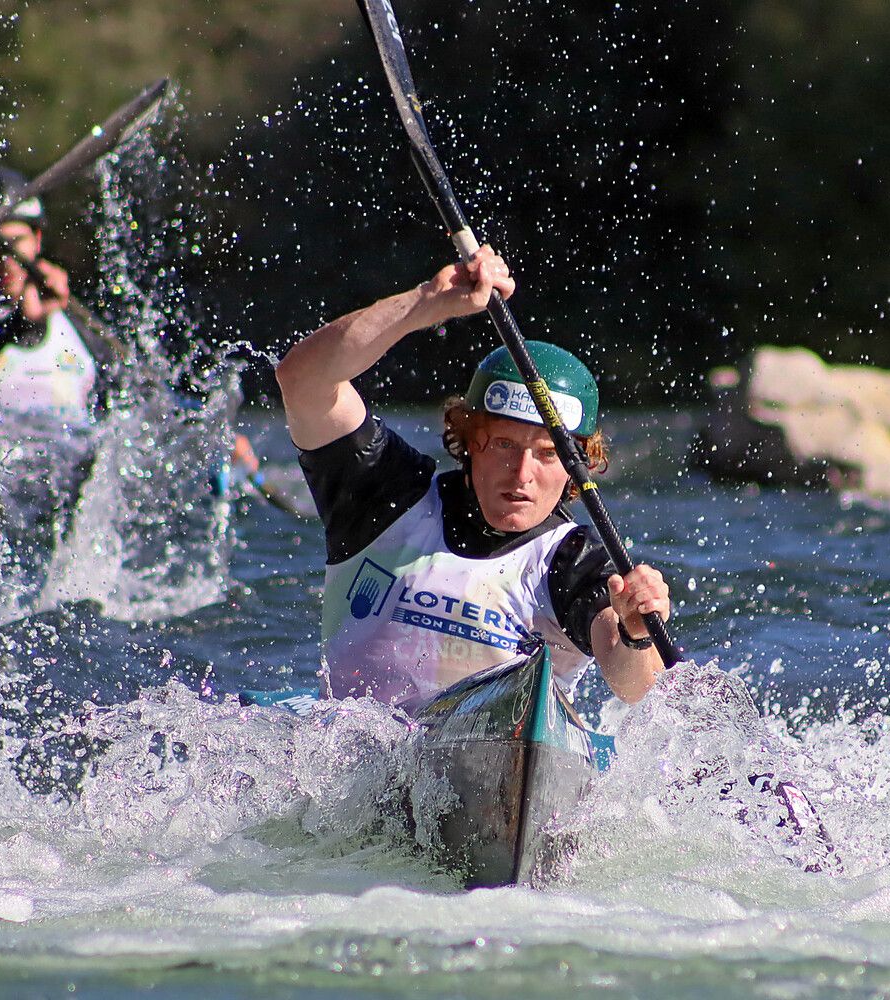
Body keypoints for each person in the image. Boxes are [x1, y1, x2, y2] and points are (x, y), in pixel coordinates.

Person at [275, 247, 671, 707]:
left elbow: (635, 688)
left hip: (504, 756)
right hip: (356, 751)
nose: (522, 474)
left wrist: (636, 633)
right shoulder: (386, 495)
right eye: (504, 445)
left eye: (547, 453)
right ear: (466, 437)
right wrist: (425, 304)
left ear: (576, 467)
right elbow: (302, 381)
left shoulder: (573, 561)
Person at [0, 164, 100, 430]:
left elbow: (127, 398)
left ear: (37, 239)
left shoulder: (75, 318)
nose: (5, 261)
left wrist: (37, 322)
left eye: (14, 244)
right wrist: (24, 323)